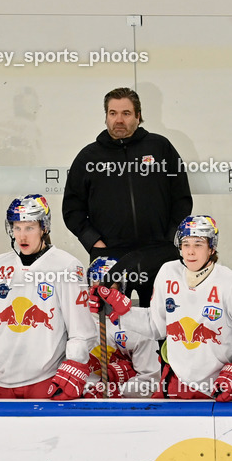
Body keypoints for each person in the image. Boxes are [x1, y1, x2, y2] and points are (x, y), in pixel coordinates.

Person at [91, 215, 232, 401]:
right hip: (174, 383)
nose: (190, 252)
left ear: (211, 247)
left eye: (198, 244)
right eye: (186, 244)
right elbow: (155, 327)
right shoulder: (168, 272)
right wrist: (121, 312)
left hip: (218, 386)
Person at [0, 195, 95, 400]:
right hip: (1, 385)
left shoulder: (67, 266)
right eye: (17, 228)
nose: (22, 236)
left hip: (47, 382)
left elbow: (82, 331)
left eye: (29, 228)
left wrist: (75, 363)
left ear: (44, 227)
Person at [63, 87, 193, 306]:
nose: (119, 120)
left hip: (159, 256)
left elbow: (181, 198)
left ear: (138, 116)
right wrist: (95, 243)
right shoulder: (89, 157)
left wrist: (169, 238)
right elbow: (72, 208)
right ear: (106, 117)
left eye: (126, 113)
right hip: (110, 259)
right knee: (113, 329)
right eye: (113, 113)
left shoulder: (160, 148)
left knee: (163, 325)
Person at [83, 257, 161, 399]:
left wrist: (116, 392)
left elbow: (150, 383)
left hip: (126, 410)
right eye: (97, 286)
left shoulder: (140, 325)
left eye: (109, 287)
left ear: (122, 287)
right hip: (82, 406)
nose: (102, 293)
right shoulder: (74, 321)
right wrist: (85, 391)